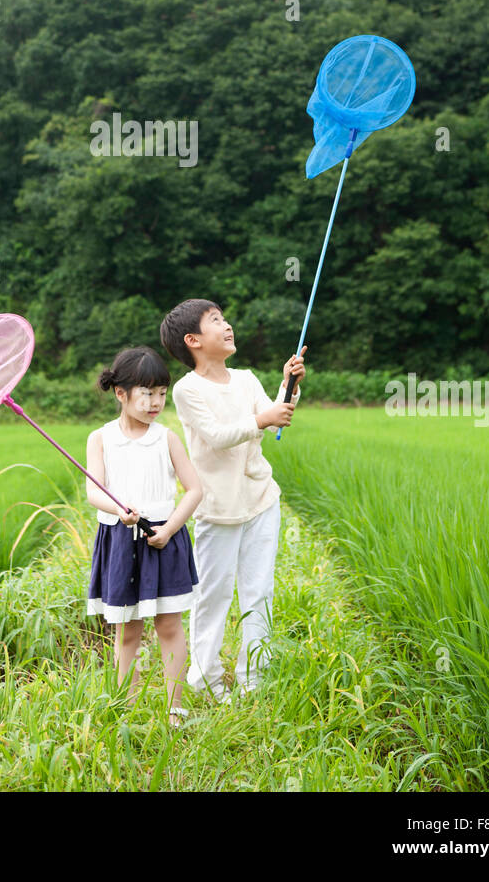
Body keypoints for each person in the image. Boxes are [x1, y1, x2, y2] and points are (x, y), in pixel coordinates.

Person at [159, 299, 306, 700]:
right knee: (214, 595)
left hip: (261, 499)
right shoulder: (188, 391)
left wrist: (288, 385)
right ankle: (204, 680)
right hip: (218, 509)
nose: (227, 327)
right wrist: (265, 418)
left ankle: (252, 680)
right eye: (216, 322)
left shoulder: (246, 378)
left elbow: (276, 414)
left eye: (224, 319)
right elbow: (219, 436)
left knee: (259, 591)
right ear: (193, 340)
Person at [86, 345, 202, 726]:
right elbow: (94, 491)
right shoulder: (100, 438)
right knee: (127, 630)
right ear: (121, 394)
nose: (156, 402)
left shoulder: (165, 438)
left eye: (161, 393)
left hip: (163, 540)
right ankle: (126, 709)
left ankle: (175, 708)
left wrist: (170, 529)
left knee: (169, 625)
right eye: (147, 393)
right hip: (121, 542)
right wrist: (118, 510)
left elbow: (195, 489)